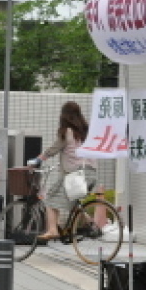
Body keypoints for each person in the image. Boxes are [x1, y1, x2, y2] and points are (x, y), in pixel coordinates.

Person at [32, 101, 95, 239]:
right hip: (91, 173)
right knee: (72, 200)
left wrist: (37, 160)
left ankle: (53, 230)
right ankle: (91, 223)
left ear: (64, 116)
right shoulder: (87, 131)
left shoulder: (67, 132)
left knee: (49, 198)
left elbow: (53, 149)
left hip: (75, 175)